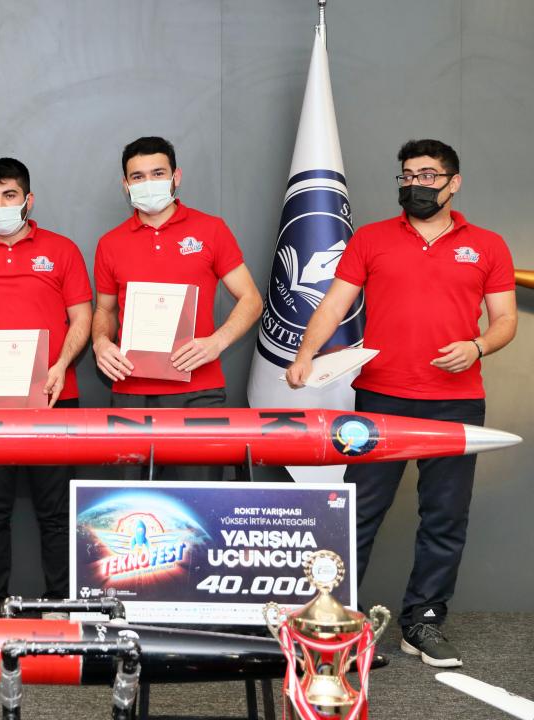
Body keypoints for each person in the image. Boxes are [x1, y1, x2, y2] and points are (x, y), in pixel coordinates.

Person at [286, 139, 516, 668]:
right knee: (357, 514)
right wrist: (304, 355)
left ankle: (423, 622)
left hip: (457, 403)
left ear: (454, 183)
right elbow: (333, 304)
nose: (416, 184)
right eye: (408, 175)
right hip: (379, 400)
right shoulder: (370, 238)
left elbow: (505, 319)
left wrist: (478, 346)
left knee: (445, 517)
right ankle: (336, 622)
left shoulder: (487, 245)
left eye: (428, 175)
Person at [0, 158, 93, 619]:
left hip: (53, 395)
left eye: (9, 196)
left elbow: (82, 316)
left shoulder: (63, 250)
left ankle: (59, 601)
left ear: (28, 200)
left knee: (56, 509)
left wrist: (62, 364)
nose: (0, 205)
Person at [91, 137, 262, 480]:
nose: (148, 183)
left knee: (197, 504)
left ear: (176, 176)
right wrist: (100, 342)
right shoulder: (110, 243)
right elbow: (105, 311)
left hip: (198, 392)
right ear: (126, 185)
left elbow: (251, 299)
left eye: (157, 173)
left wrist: (217, 342)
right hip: (129, 394)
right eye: (138, 176)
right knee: (129, 504)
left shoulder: (211, 229)